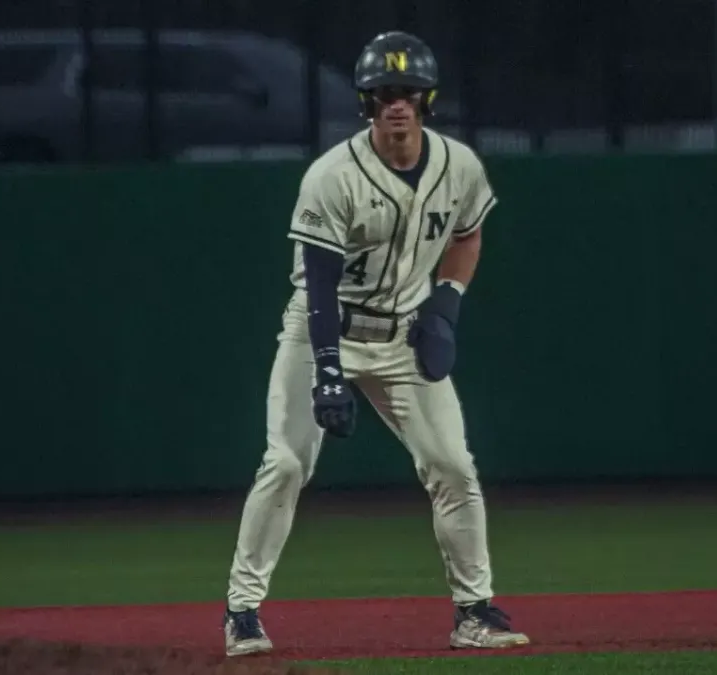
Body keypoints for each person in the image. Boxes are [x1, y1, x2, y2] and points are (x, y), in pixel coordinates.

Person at [221, 30, 529, 656]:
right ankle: (241, 612)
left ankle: (474, 612)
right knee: (285, 463)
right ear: (366, 102)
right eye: (384, 93)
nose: (397, 104)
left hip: (403, 336)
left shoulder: (458, 165)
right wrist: (328, 370)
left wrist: (447, 303)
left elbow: (468, 233)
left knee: (453, 467)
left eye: (408, 92)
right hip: (322, 326)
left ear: (427, 99)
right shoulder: (332, 176)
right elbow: (320, 282)